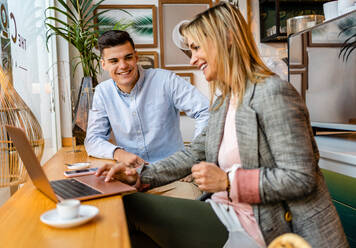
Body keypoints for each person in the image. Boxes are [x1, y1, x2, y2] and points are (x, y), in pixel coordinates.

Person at [96, 2, 348, 248]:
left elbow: (300, 178)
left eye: (196, 48)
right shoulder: (225, 100)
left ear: (225, 40)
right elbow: (195, 153)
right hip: (225, 210)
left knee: (127, 208)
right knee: (125, 216)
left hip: (260, 224)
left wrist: (229, 181)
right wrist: (138, 176)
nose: (192, 59)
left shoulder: (272, 93)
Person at [84, 30, 209, 167]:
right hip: (132, 174)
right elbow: (93, 139)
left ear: (136, 57)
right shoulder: (103, 92)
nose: (123, 65)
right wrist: (119, 153)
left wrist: (194, 157)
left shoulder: (166, 80)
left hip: (173, 172)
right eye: (114, 61)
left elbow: (205, 111)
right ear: (104, 64)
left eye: (128, 57)